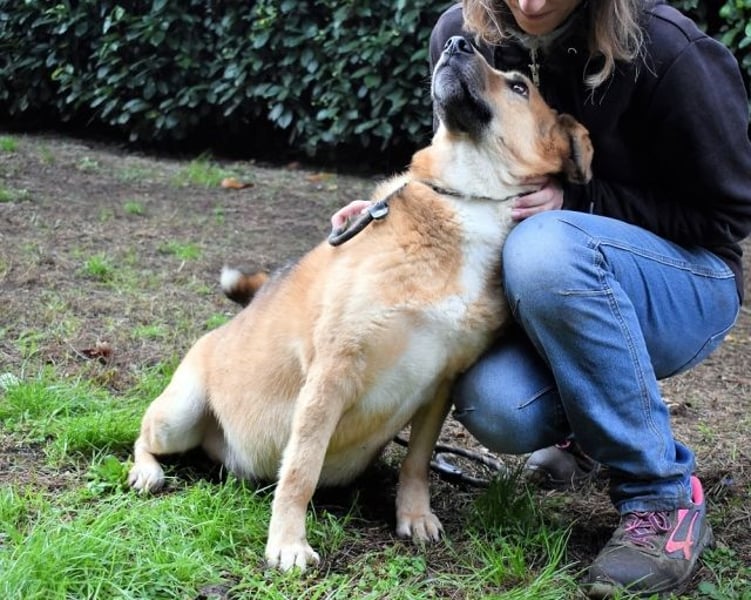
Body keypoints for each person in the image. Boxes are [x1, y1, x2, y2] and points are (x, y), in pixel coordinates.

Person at [332, 1, 751, 597]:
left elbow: (728, 215)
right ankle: (586, 433)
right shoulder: (461, 35)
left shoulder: (668, 51)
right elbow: (457, 170)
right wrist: (393, 208)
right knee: (497, 406)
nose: (529, 5)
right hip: (552, 280)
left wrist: (579, 203)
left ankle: (662, 498)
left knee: (544, 249)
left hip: (688, 281)